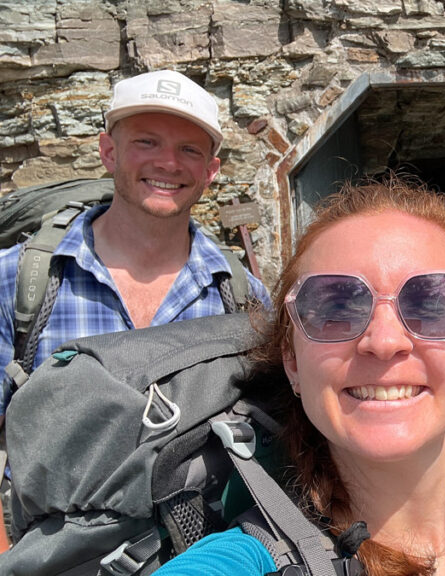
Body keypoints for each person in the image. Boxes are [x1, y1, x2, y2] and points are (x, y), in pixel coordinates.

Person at [155, 177, 445, 576]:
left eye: (429, 302)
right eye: (336, 306)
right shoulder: (249, 563)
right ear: (293, 363)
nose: (385, 341)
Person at [0, 70, 270, 549]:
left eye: (189, 149)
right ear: (109, 151)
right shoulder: (18, 282)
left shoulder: (243, 298)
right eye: (147, 142)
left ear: (211, 170)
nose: (168, 163)